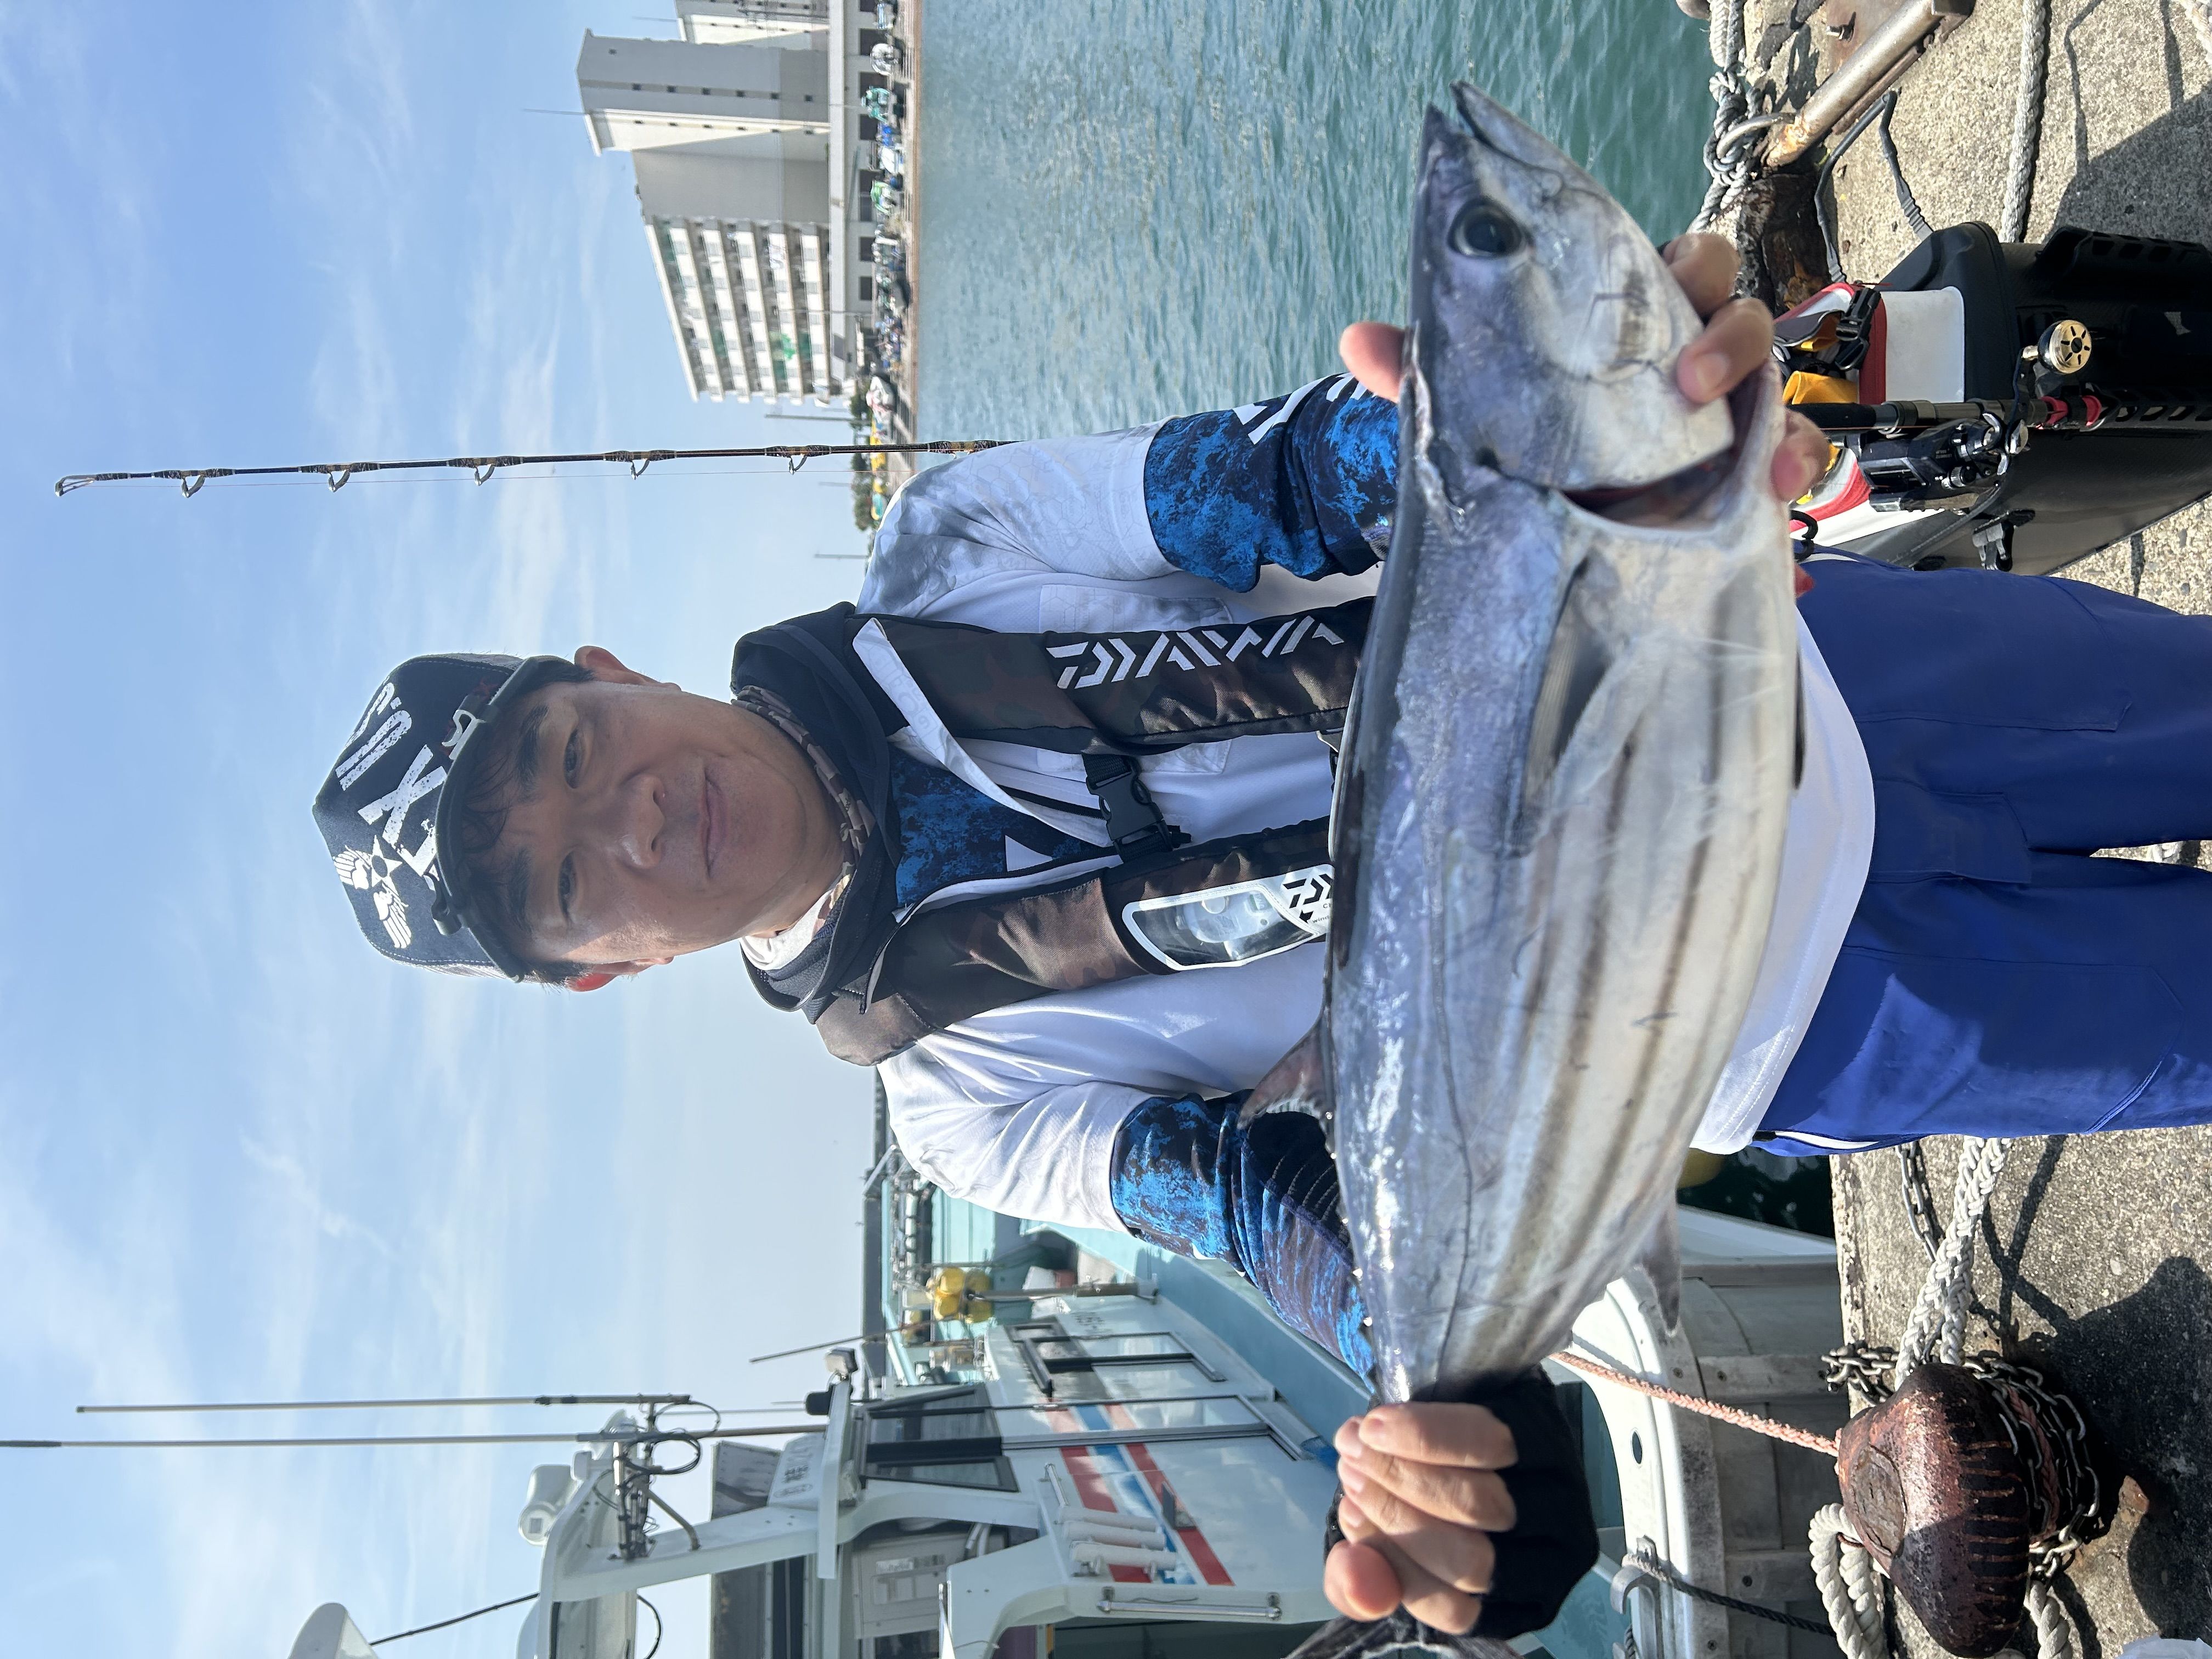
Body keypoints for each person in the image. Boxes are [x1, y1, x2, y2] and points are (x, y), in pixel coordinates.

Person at [312, 235, 2212, 1637]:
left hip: (1814, 677)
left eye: (571, 751)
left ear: (605, 669)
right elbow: (1272, 1216)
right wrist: (1458, 1435)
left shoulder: (951, 553)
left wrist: (1539, 397)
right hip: (1806, 1013)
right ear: (605, 969)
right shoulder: (963, 1108)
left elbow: (1273, 481)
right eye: (567, 883)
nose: (633, 819)